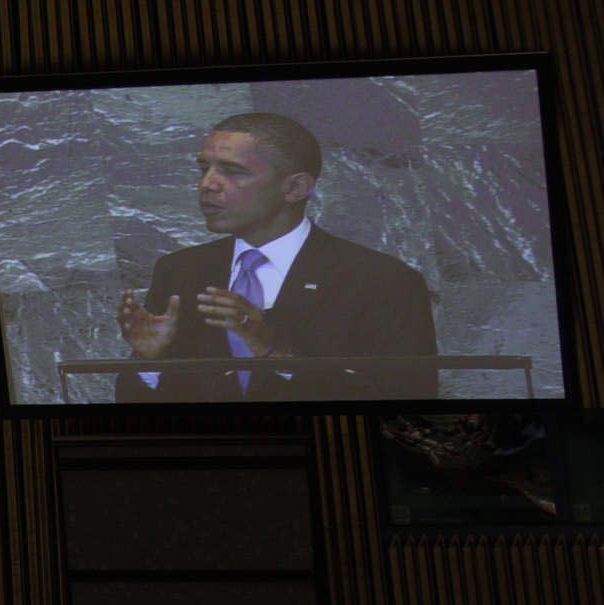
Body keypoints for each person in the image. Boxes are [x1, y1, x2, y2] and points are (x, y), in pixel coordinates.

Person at [114, 111, 437, 403]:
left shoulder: (381, 280)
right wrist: (149, 363)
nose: (206, 184)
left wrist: (277, 353)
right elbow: (134, 406)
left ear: (295, 188)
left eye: (232, 171)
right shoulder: (180, 270)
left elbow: (409, 401)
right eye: (204, 169)